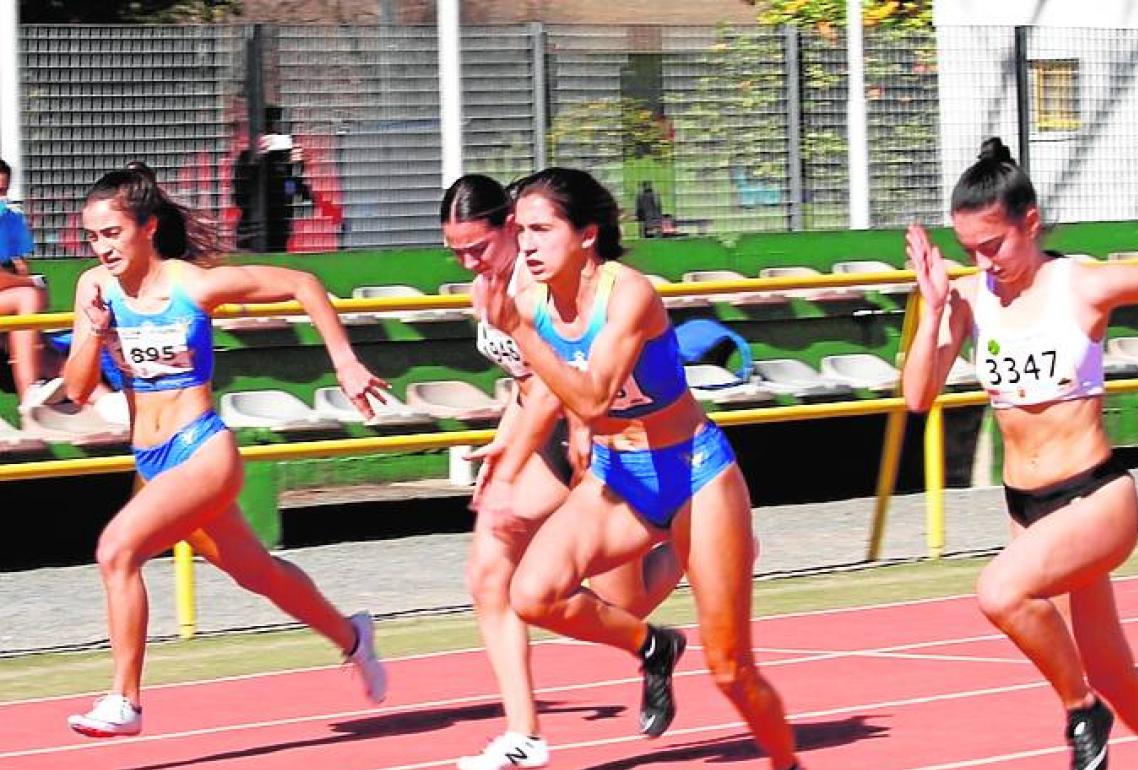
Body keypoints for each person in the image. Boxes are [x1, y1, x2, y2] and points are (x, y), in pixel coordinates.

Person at [902, 137, 1138, 770]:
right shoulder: (972, 299)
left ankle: (1081, 709)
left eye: (994, 245)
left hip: (1096, 497)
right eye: (970, 250)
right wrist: (935, 306)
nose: (985, 262)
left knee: (999, 592)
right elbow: (919, 397)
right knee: (1117, 670)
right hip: (1027, 509)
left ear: (1030, 223)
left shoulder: (1079, 284)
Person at [477, 167, 801, 770]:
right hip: (616, 477)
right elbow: (548, 389)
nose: (525, 244)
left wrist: (520, 331)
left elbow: (594, 394)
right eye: (521, 230)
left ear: (587, 235)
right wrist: (511, 450)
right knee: (532, 593)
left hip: (692, 474)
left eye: (542, 230)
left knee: (731, 670)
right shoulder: (530, 304)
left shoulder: (628, 293)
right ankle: (653, 646)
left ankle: (789, 764)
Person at [63, 168, 388, 738]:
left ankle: (125, 701)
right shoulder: (96, 287)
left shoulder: (193, 285)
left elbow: (304, 284)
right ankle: (353, 636)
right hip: (151, 459)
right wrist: (93, 331)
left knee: (116, 551)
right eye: (93, 237)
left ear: (148, 228)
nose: (102, 247)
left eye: (112, 233)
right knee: (255, 571)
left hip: (202, 450)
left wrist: (345, 361)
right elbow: (78, 390)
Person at [440, 174, 682, 770]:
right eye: (456, 252)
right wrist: (503, 449)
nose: (471, 262)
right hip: (539, 427)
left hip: (585, 430)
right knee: (487, 572)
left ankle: (693, 539)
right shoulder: (491, 288)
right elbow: (525, 385)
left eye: (480, 247)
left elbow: (553, 387)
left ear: (512, 228)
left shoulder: (540, 278)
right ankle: (524, 733)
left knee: (626, 595)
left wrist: (510, 463)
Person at [0, 158, 49, 402]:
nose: (1, 197)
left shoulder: (9, 218)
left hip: (7, 304)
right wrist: (32, 283)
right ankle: (29, 393)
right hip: (11, 299)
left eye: (3, 191)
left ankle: (105, 401)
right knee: (27, 295)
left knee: (48, 355)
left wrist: (30, 282)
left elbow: (20, 265)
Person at [232, 106, 312, 253]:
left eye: (280, 131)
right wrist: (256, 163)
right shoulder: (246, 158)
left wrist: (294, 170)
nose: (276, 135)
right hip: (251, 233)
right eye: (272, 130)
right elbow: (240, 198)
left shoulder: (285, 161)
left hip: (277, 232)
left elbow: (293, 194)